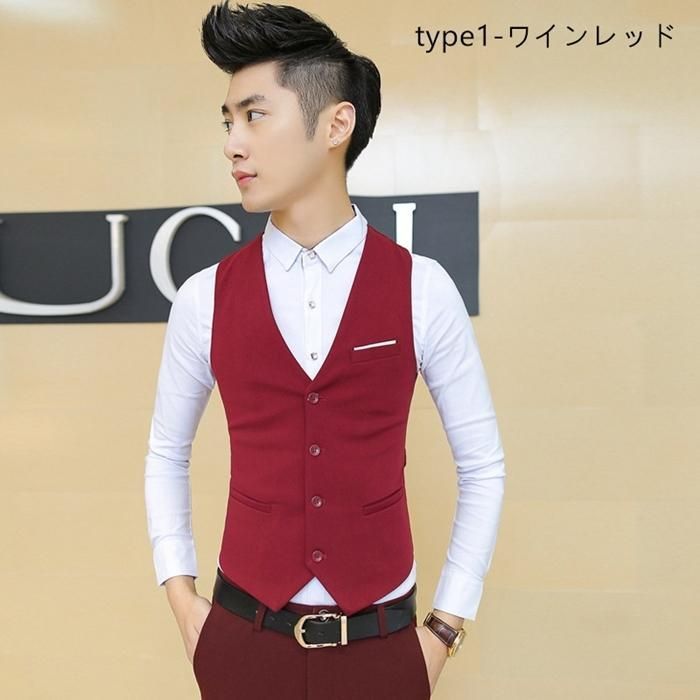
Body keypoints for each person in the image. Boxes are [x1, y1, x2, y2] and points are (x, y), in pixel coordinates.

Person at [143, 2, 506, 698]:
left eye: (255, 116)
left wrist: (443, 632)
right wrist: (185, 606)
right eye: (227, 122)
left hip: (382, 647)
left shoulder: (422, 287)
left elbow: (482, 465)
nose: (233, 145)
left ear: (336, 125)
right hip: (241, 643)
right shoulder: (203, 297)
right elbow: (166, 453)